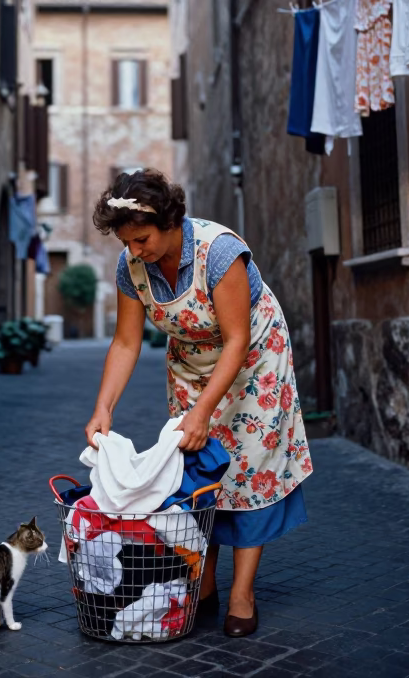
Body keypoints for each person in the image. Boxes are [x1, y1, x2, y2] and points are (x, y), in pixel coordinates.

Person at [85, 169, 312, 638]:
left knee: (248, 471)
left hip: (253, 360)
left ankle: (242, 594)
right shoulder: (132, 268)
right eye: (127, 243)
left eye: (142, 240)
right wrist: (103, 407)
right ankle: (203, 583)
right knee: (195, 471)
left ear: (170, 222)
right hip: (191, 364)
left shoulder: (219, 252)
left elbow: (237, 340)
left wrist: (203, 412)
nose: (135, 251)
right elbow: (126, 342)